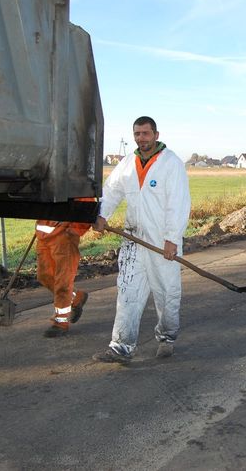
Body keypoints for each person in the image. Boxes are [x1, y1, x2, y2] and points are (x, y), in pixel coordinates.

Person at [92, 116, 191, 363]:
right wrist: (102, 215)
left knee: (166, 293)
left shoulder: (171, 164)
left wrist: (171, 238)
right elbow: (112, 191)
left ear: (156, 135)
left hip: (161, 242)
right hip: (133, 240)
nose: (141, 138)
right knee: (127, 291)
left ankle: (167, 336)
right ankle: (121, 345)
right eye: (137, 134)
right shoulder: (127, 163)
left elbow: (178, 204)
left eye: (146, 133)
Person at [36, 217, 91, 337]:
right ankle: (77, 297)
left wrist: (76, 229)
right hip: (44, 236)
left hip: (64, 238)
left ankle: (61, 322)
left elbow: (86, 203)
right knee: (44, 276)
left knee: (63, 283)